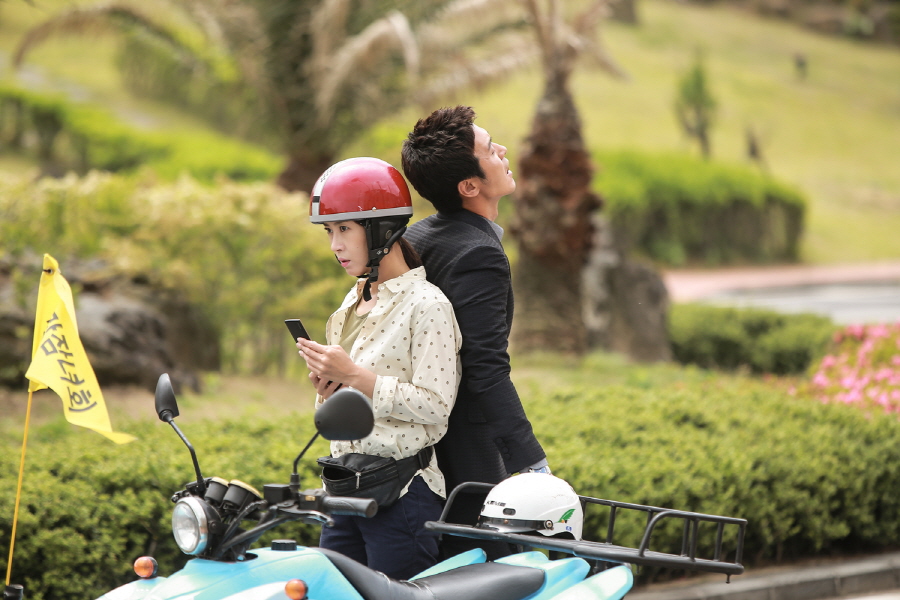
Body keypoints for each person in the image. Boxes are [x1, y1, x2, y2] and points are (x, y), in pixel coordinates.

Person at [295, 156, 462, 579]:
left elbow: (436, 406)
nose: (334, 245)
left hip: (401, 493)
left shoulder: (427, 305)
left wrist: (354, 376)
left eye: (344, 229)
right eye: (329, 231)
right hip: (342, 486)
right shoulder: (351, 302)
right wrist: (330, 389)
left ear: (382, 230)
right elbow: (357, 396)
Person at [401, 106, 549, 560]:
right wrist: (531, 461)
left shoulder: (416, 237)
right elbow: (484, 368)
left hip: (413, 445)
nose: (502, 150)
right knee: (487, 568)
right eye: (489, 149)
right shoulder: (479, 254)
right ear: (469, 186)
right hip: (465, 456)